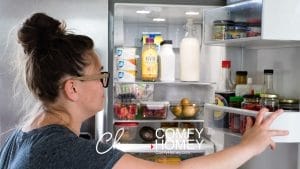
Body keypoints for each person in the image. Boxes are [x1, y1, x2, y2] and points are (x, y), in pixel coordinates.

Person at [0, 13, 288, 169]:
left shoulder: (20, 138)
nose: (106, 83)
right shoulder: (66, 150)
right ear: (72, 88)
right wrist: (250, 146)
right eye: (101, 76)